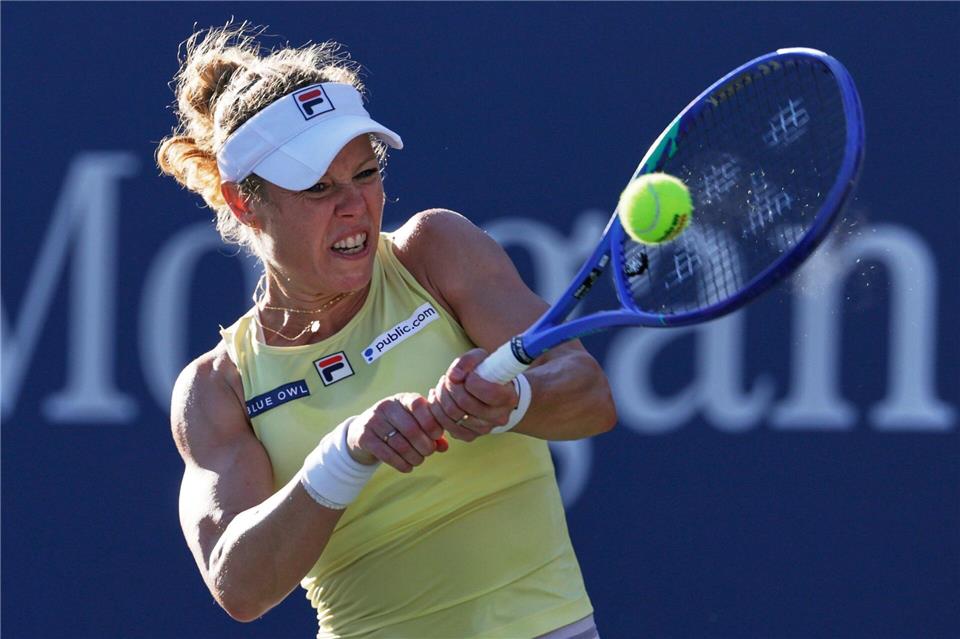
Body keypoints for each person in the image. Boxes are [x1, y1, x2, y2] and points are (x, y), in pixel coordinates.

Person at [158, 23, 616, 639]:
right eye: (319, 187)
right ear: (245, 203)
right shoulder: (218, 388)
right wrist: (342, 456)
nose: (355, 206)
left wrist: (512, 402)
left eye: (366, 174)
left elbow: (590, 396)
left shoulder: (436, 250)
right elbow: (238, 585)